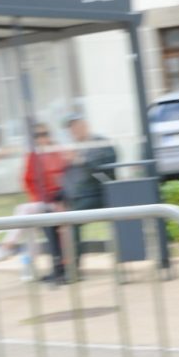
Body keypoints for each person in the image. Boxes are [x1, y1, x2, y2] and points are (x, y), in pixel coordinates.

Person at [0, 124, 67, 279]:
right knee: (29, 224)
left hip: (59, 201)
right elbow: (28, 180)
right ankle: (29, 267)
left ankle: (7, 247)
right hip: (42, 203)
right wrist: (39, 198)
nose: (41, 138)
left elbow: (62, 180)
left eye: (44, 134)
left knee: (24, 211)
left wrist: (53, 197)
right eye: (37, 136)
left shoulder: (56, 152)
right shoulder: (34, 155)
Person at [49, 113, 117, 282]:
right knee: (48, 219)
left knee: (70, 221)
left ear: (85, 125)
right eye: (71, 128)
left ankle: (72, 272)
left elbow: (105, 168)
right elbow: (69, 179)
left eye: (76, 126)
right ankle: (59, 267)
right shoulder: (75, 148)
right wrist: (59, 199)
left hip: (97, 195)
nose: (74, 130)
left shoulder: (100, 143)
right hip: (75, 198)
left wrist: (81, 159)